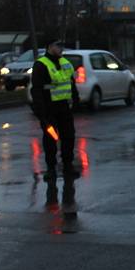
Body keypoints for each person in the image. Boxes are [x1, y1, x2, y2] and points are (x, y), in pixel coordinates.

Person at [31, 38, 80, 210]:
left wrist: (76, 99)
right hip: (49, 110)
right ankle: (51, 168)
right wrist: (41, 113)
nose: (61, 48)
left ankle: (67, 165)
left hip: (64, 108)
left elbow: (71, 83)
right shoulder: (41, 65)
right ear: (49, 46)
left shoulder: (65, 63)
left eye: (62, 45)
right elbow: (36, 90)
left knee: (69, 137)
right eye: (58, 45)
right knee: (51, 139)